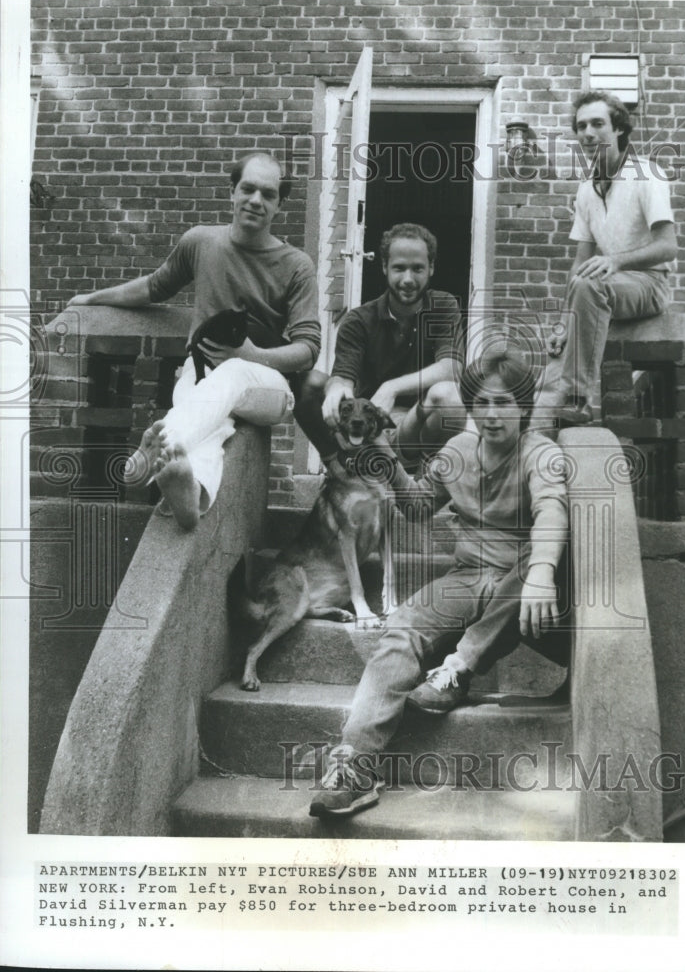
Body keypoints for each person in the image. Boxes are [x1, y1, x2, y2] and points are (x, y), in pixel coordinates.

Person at [308, 342, 569, 818]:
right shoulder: (457, 451)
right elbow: (418, 505)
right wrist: (386, 458)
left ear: (524, 407)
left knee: (538, 552)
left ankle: (460, 667)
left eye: (504, 403)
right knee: (402, 627)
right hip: (469, 577)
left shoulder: (541, 453)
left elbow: (552, 512)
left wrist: (543, 574)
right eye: (482, 403)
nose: (492, 415)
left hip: (525, 587)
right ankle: (355, 766)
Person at [66, 152, 330, 529]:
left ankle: (154, 451)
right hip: (203, 374)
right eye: (248, 189)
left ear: (279, 205)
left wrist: (253, 354)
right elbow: (155, 286)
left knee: (233, 372)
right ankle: (190, 493)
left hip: (269, 389)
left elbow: (308, 349)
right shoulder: (201, 242)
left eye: (268, 194)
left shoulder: (297, 264)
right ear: (232, 193)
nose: (256, 200)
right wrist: (92, 298)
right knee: (208, 417)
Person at [540, 90, 678, 427]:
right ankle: (546, 416)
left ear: (618, 129)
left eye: (597, 123)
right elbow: (580, 262)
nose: (588, 133)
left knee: (590, 283)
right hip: (608, 287)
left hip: (651, 283)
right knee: (551, 370)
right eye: (581, 126)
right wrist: (563, 320)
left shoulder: (648, 174)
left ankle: (578, 402)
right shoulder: (586, 190)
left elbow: (668, 246)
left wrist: (615, 261)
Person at [320, 223, 466, 470]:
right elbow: (344, 377)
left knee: (451, 397)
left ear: (431, 268)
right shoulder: (359, 320)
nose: (408, 279)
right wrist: (335, 390)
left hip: (422, 421)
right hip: (377, 430)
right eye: (399, 268)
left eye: (417, 268)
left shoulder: (443, 306)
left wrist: (392, 387)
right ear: (384, 267)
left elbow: (452, 368)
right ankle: (351, 469)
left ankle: (427, 481)